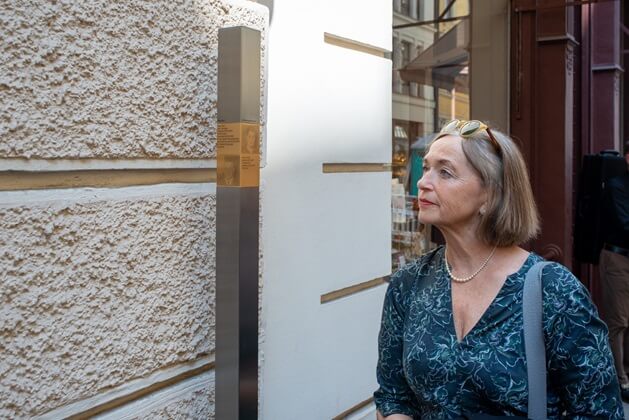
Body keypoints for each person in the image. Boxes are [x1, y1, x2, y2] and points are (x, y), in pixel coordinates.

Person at [374, 119, 624, 419]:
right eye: (426, 168)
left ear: (490, 194)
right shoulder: (407, 285)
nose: (423, 182)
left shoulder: (555, 292)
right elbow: (393, 395)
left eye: (445, 172)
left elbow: (600, 412)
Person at [599, 140, 629, 402]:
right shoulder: (616, 186)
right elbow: (625, 225)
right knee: (618, 322)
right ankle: (620, 381)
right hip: (618, 258)